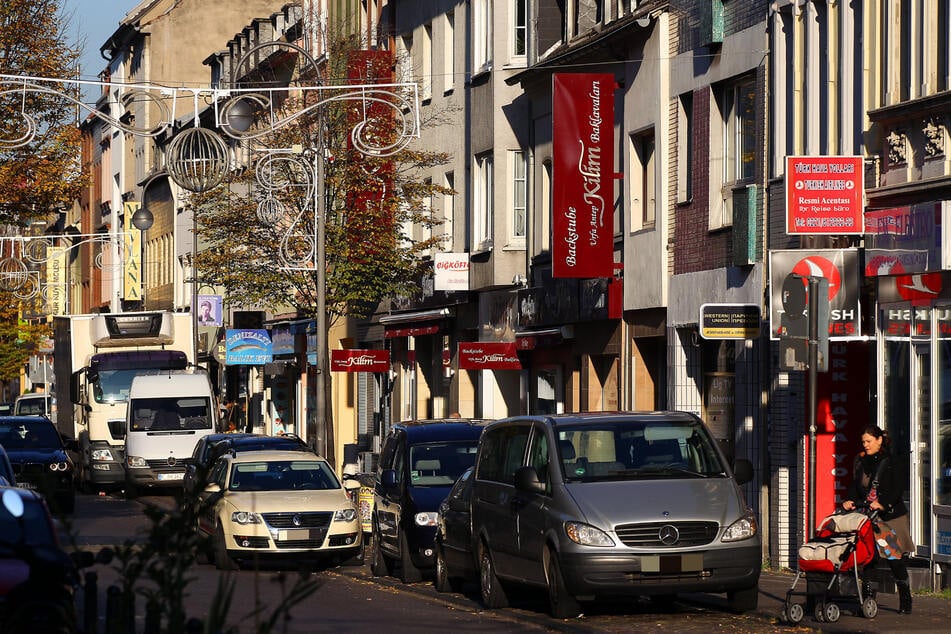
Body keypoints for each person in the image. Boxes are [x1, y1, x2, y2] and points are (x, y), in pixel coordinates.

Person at [842, 424, 914, 614]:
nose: (865, 445)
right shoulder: (860, 460)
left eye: (869, 441)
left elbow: (897, 489)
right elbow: (855, 484)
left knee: (893, 557)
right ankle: (868, 600)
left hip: (889, 516)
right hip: (868, 515)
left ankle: (905, 599)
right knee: (869, 557)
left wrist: (883, 503)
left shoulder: (892, 461)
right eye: (863, 441)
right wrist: (849, 500)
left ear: (879, 440)